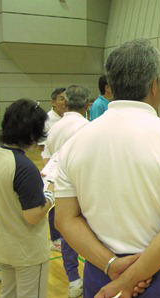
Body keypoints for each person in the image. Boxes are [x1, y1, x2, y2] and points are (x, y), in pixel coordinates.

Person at [55, 39, 160, 298]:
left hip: (101, 269)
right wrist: (127, 281)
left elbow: (65, 219)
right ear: (154, 85)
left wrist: (112, 267)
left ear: (111, 86)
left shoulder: (75, 142)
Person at [0, 99, 54, 298]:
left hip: (3, 246)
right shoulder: (24, 167)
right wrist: (50, 194)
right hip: (27, 251)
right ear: (32, 133)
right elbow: (33, 216)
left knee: (8, 294)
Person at [44, 85, 91, 298]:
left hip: (61, 190)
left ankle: (73, 280)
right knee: (91, 235)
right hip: (82, 189)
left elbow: (46, 159)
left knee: (67, 235)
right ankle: (93, 277)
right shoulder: (87, 127)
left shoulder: (55, 127)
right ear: (86, 105)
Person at [38, 87, 66, 252]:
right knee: (53, 204)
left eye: (66, 98)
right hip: (52, 167)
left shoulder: (67, 118)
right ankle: (55, 239)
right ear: (53, 101)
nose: (65, 102)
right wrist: (49, 169)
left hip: (65, 166)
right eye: (61, 98)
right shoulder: (48, 120)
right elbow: (43, 148)